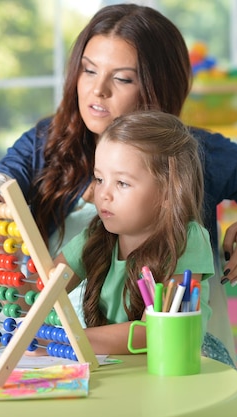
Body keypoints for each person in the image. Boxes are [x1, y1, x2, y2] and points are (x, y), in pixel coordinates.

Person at [0, 3, 237, 360]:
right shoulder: (47, 143)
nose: (98, 90)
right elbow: (5, 182)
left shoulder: (192, 153)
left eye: (122, 78)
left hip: (169, 356)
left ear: (158, 87)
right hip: (63, 352)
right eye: (88, 70)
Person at [30, 110, 218, 357]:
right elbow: (42, 293)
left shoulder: (188, 240)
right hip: (118, 371)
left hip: (182, 370)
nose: (104, 194)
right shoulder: (96, 237)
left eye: (122, 183)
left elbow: (153, 334)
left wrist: (64, 339)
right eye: (99, 179)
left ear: (168, 192)